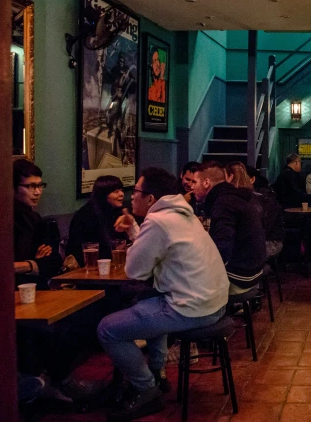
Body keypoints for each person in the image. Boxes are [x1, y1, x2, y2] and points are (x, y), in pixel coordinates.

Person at [99, 167, 229, 422]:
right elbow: (157, 249)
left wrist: (133, 232)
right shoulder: (181, 215)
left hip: (192, 308)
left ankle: (146, 388)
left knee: (108, 329)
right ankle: (157, 373)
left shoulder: (158, 221)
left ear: (150, 198)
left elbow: (135, 270)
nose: (130, 197)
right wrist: (134, 229)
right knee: (150, 300)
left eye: (135, 191)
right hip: (215, 302)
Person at [192, 161, 267, 294]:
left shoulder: (223, 203)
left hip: (241, 277)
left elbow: (222, 249)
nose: (192, 187)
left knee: (181, 278)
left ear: (206, 182)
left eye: (195, 182)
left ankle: (211, 313)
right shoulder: (235, 196)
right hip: (254, 270)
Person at [13, 159, 62, 290]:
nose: (38, 192)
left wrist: (26, 265)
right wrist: (34, 263)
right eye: (30, 186)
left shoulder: (35, 218)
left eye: (40, 186)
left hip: (36, 288)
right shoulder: (3, 221)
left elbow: (54, 261)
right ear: (13, 187)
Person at [65, 175, 128, 266]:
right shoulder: (86, 215)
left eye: (121, 190)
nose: (121, 194)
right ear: (103, 195)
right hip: (89, 268)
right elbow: (76, 251)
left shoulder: (117, 213)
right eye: (116, 191)